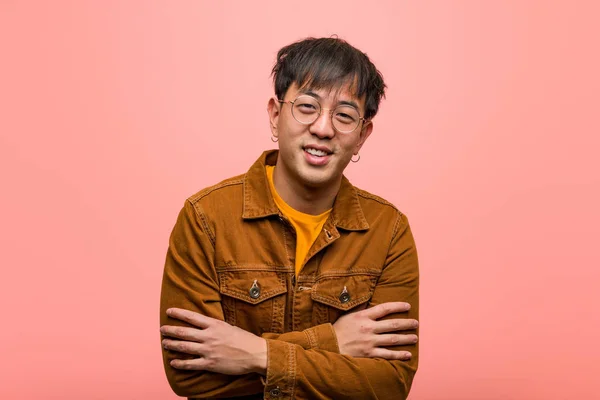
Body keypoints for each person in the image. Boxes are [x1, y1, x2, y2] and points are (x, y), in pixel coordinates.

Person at [159, 37, 419, 399]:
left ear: (362, 136)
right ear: (274, 114)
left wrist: (255, 354)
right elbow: (189, 376)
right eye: (307, 107)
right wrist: (332, 341)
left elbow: (390, 382)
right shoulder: (206, 218)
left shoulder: (388, 231)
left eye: (344, 115)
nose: (323, 129)